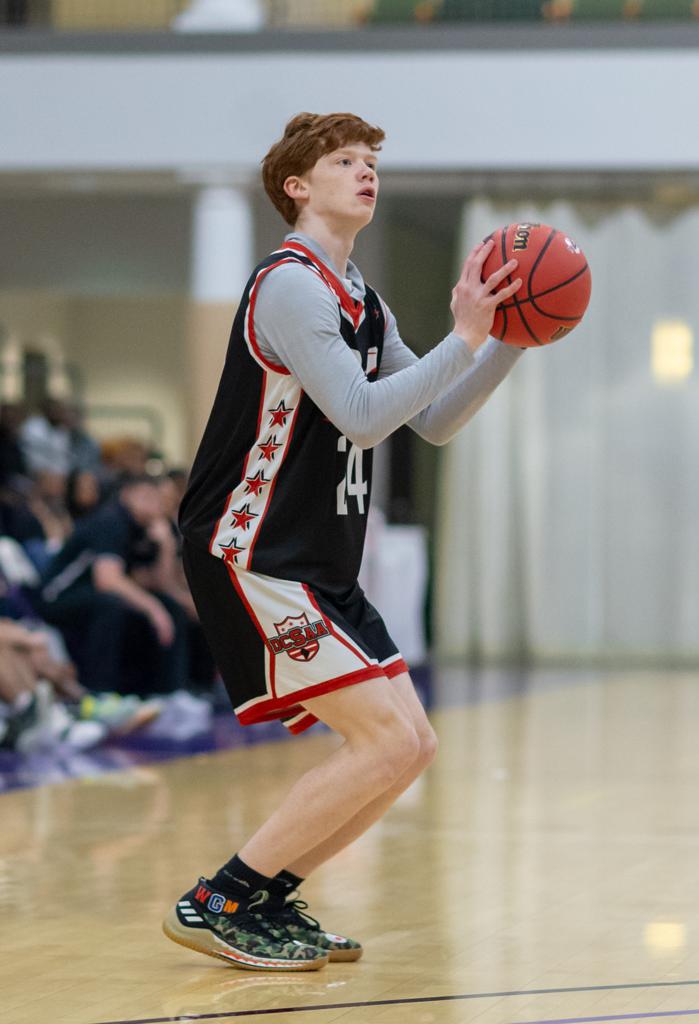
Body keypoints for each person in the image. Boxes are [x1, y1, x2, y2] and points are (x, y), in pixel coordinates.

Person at [163, 112, 524, 972]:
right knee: (388, 741)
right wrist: (465, 335)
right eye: (346, 161)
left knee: (413, 744)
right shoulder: (290, 285)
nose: (368, 173)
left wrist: (508, 341)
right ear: (297, 185)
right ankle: (219, 899)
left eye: (373, 162)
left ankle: (267, 898)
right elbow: (362, 419)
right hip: (252, 549)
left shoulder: (361, 295)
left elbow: (429, 420)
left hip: (317, 561)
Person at [34, 474, 190, 697]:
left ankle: (171, 694)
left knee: (171, 606)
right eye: (146, 497)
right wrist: (153, 608)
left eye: (158, 500)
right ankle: (99, 692)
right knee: (113, 606)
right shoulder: (111, 520)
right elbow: (107, 580)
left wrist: (166, 546)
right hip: (56, 595)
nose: (154, 505)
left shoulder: (149, 529)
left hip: (94, 594)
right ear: (127, 495)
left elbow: (161, 583)